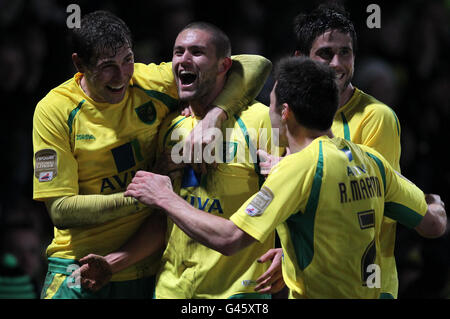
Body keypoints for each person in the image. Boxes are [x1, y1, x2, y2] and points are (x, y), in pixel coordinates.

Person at [124, 56, 447, 298]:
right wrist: (434, 201)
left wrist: (164, 197)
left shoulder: (298, 169)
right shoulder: (371, 160)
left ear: (286, 112)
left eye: (273, 101)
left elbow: (229, 238)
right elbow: (433, 225)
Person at [33, 10, 271, 299]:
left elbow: (253, 63)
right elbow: (60, 210)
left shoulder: (150, 82)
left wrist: (214, 117)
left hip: (145, 267)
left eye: (127, 59)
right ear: (79, 64)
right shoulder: (54, 111)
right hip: (79, 263)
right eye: (107, 66)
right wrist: (145, 196)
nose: (121, 76)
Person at [256, 3, 403, 298]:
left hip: (369, 287)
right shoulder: (285, 114)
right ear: (300, 60)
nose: (337, 63)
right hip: (309, 284)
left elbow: (372, 204)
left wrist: (290, 168)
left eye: (345, 52)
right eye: (325, 53)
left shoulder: (377, 117)